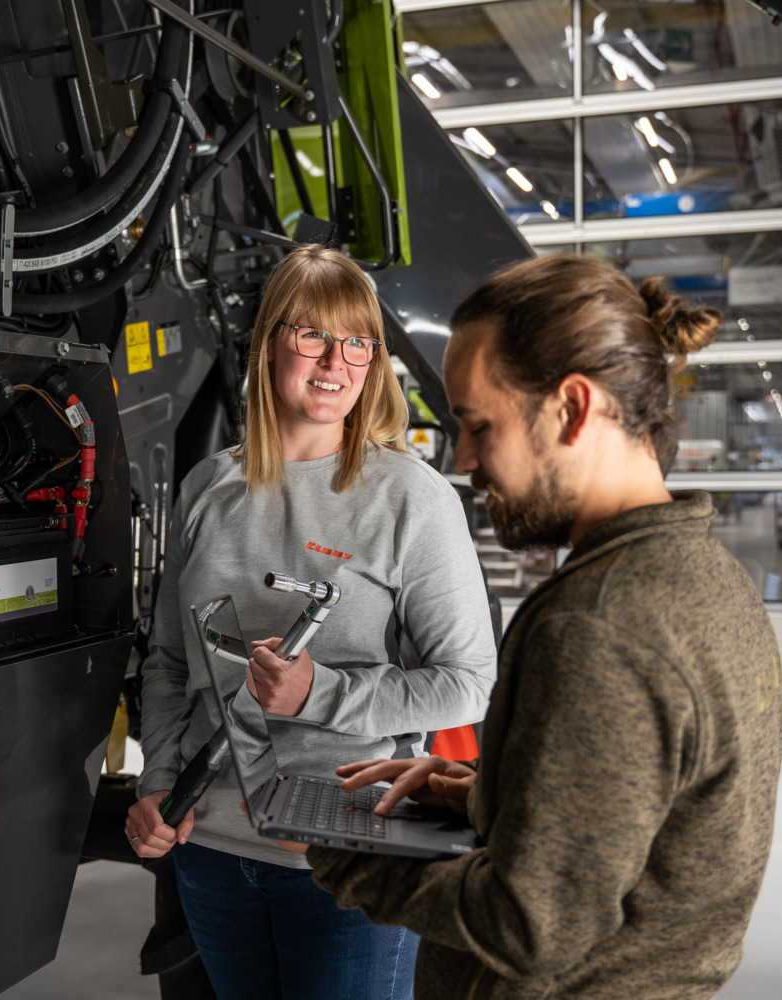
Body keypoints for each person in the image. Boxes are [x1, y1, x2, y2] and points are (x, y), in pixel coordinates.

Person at [296, 254, 782, 1000]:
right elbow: (640, 836)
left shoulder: (599, 626)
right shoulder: (708, 581)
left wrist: (346, 856)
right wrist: (490, 797)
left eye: (477, 424)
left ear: (573, 408)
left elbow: (532, 926)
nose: (463, 461)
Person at [125, 244, 499, 1000]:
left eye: (358, 342)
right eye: (312, 336)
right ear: (269, 345)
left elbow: (467, 685)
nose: (336, 361)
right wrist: (160, 784)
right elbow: (168, 660)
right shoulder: (208, 486)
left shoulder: (410, 498)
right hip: (213, 851)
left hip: (349, 851)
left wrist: (318, 695)